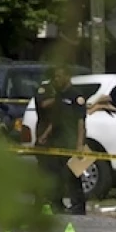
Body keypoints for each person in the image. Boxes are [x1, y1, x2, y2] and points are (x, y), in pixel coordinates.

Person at [35, 66, 88, 215]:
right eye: (55, 77)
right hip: (57, 141)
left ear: (67, 77)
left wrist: (79, 144)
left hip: (71, 141)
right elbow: (55, 119)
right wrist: (45, 135)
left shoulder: (76, 96)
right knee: (56, 174)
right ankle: (57, 205)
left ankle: (78, 206)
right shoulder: (59, 95)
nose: (57, 79)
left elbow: (80, 122)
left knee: (73, 176)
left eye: (59, 76)